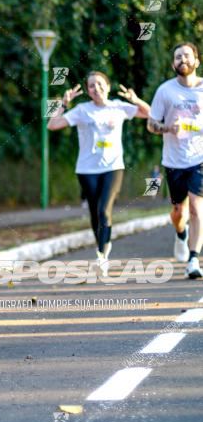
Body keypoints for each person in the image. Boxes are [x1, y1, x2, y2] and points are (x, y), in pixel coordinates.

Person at [48, 71, 150, 276]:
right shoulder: (82, 110)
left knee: (104, 210)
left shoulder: (118, 107)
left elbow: (150, 113)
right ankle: (103, 245)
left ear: (108, 87)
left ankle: (101, 256)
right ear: (88, 91)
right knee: (95, 212)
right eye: (92, 85)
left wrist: (135, 99)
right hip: (86, 169)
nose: (96, 88)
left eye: (100, 84)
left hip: (113, 167)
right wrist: (63, 103)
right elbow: (53, 124)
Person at [147, 42, 203, 278]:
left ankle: (193, 260)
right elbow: (151, 124)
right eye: (178, 57)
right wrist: (168, 127)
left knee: (196, 208)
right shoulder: (165, 91)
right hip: (173, 160)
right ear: (173, 64)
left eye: (187, 56)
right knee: (178, 212)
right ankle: (180, 233)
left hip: (199, 158)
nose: (183, 60)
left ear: (196, 61)